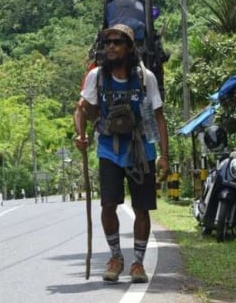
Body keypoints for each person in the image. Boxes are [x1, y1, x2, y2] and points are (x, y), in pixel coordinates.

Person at [73, 23, 170, 283]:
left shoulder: (144, 77)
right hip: (109, 148)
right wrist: (80, 135)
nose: (111, 47)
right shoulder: (96, 76)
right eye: (108, 42)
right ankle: (116, 256)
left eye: (117, 42)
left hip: (141, 149)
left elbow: (158, 117)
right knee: (108, 204)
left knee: (142, 208)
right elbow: (81, 108)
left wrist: (164, 155)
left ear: (129, 48)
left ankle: (138, 262)